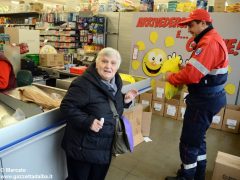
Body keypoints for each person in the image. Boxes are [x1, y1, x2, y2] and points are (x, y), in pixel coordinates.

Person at [165, 9, 228, 180]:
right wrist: (184, 69)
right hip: (210, 98)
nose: (189, 30)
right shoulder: (210, 39)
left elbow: (193, 75)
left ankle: (187, 176)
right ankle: (199, 174)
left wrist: (171, 77)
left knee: (188, 142)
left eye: (191, 25)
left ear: (203, 23)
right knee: (198, 139)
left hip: (203, 101)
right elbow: (199, 70)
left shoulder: (208, 42)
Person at [60, 47, 138, 180]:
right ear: (97, 63)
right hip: (82, 149)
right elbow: (67, 107)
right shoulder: (83, 84)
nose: (108, 66)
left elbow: (107, 105)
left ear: (117, 66)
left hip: (104, 148)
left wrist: (124, 100)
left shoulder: (115, 82)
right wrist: (87, 122)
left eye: (113, 63)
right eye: (104, 61)